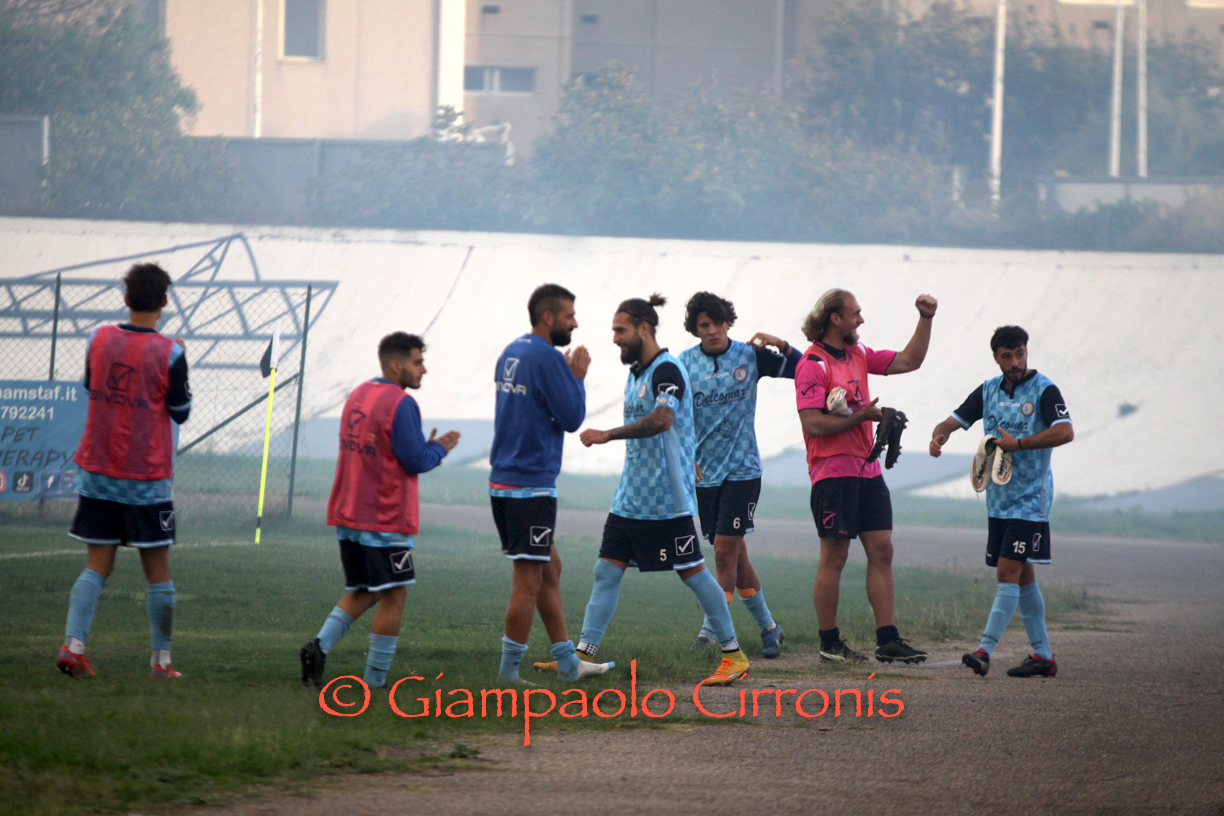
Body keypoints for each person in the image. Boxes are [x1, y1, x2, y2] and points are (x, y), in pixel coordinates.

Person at [563, 294, 751, 686]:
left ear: (644, 328)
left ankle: (733, 655)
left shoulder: (667, 370)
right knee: (605, 571)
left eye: (621, 330)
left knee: (694, 573)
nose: (615, 338)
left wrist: (607, 434)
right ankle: (581, 657)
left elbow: (664, 420)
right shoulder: (637, 373)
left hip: (666, 500)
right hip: (631, 498)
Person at [299, 333, 459, 689]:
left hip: (349, 512)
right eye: (418, 362)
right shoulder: (401, 402)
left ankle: (318, 647)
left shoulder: (359, 393)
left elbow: (385, 449)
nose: (424, 370)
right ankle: (374, 682)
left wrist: (425, 447)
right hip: (384, 517)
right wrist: (438, 449)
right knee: (394, 594)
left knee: (367, 589)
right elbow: (415, 460)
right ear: (396, 365)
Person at [57, 263, 192, 679]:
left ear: (126, 298)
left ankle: (72, 647)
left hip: (98, 472)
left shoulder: (98, 339)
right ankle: (161, 663)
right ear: (164, 301)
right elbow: (181, 412)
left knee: (97, 564)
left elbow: (90, 386)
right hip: (146, 479)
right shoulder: (171, 352)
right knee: (158, 572)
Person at [794, 289, 936, 664]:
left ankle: (888, 640)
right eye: (855, 313)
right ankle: (829, 644)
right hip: (832, 472)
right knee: (835, 556)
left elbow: (909, 360)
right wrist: (862, 416)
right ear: (835, 318)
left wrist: (926, 318)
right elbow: (813, 424)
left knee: (882, 550)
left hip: (867, 469)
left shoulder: (858, 353)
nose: (861, 319)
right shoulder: (812, 363)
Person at [929, 325, 1073, 678]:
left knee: (1006, 572)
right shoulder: (988, 390)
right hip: (998, 500)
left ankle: (984, 651)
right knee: (1023, 577)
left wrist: (1019, 444)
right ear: (996, 357)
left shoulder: (1044, 389)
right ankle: (1043, 656)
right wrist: (938, 437)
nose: (1015, 363)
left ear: (1027, 352)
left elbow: (1065, 431)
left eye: (1020, 354)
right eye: (1007, 356)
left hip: (1031, 499)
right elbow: (951, 422)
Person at [489, 284, 613, 684]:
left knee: (549, 568)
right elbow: (573, 418)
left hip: (503, 481)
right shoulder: (547, 358)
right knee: (527, 579)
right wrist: (577, 377)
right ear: (548, 317)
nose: (575, 323)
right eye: (569, 315)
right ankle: (508, 674)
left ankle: (567, 662)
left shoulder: (512, 351)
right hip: (531, 485)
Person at [678, 291, 800, 658]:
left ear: (728, 322)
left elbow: (806, 370)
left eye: (718, 323)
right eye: (704, 325)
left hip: (743, 471)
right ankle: (769, 628)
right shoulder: (684, 364)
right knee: (736, 557)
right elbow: (674, 418)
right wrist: (684, 459)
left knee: (723, 553)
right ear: (695, 328)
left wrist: (782, 345)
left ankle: (710, 635)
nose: (713, 330)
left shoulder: (750, 356)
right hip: (704, 476)